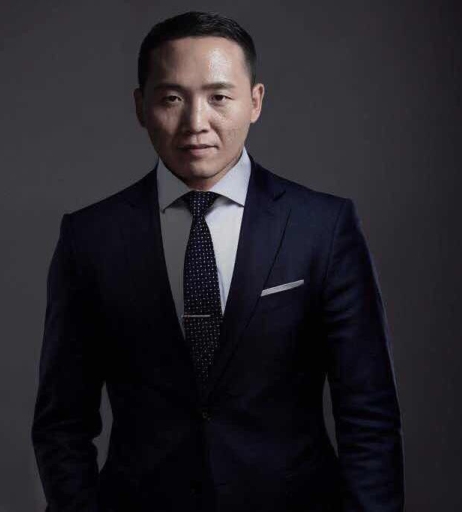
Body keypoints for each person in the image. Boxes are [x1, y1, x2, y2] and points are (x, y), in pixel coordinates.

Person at [31, 10, 405, 512]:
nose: (196, 123)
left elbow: (369, 413)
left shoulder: (323, 227)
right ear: (141, 106)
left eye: (219, 97)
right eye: (171, 98)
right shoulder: (91, 238)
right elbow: (62, 423)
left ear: (255, 101)